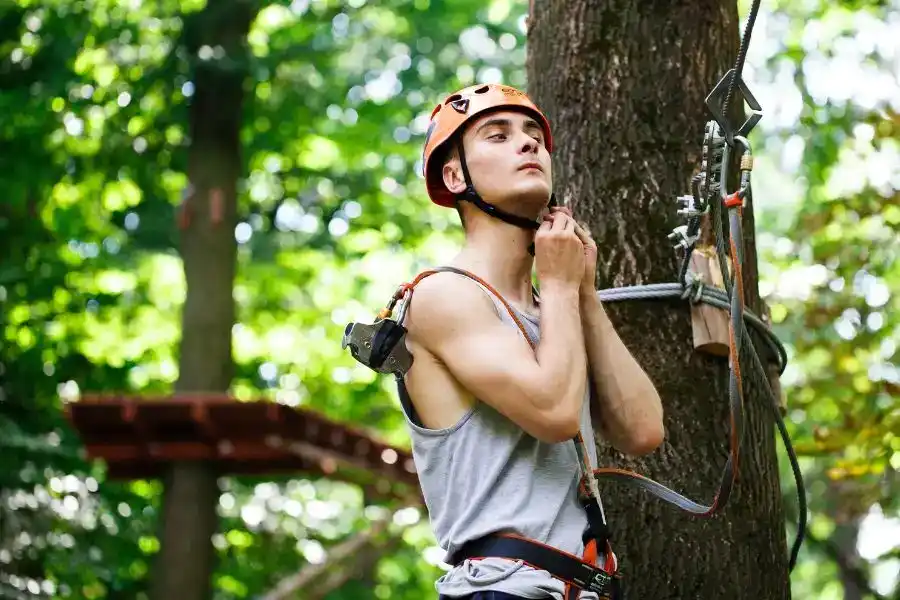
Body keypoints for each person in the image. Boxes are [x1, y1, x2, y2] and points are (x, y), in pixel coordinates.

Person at [397, 83, 665, 600]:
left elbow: (643, 430)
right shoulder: (442, 296)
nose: (528, 145)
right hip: (503, 590)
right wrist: (562, 285)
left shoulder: (556, 310)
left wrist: (582, 292)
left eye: (533, 136)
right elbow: (555, 412)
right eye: (497, 136)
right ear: (454, 177)